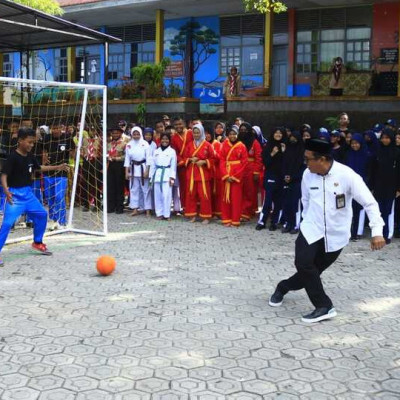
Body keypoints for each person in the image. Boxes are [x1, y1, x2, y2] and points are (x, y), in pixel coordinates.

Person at [268, 138, 385, 323]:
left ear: (322, 159)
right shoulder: (308, 174)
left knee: (310, 272)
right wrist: (305, 221)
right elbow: (305, 200)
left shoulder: (347, 176)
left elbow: (369, 203)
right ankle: (324, 306)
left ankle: (282, 287)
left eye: (308, 159)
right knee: (304, 263)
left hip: (336, 234)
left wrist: (377, 231)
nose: (305, 163)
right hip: (311, 228)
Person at [0, 128, 70, 266]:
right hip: (15, 196)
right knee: (7, 224)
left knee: (42, 215)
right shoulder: (12, 157)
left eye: (33, 142)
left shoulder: (30, 156)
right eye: (29, 142)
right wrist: (6, 191)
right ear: (20, 141)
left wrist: (58, 167)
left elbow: (39, 168)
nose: (32, 145)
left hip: (28, 194)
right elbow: (3, 175)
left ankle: (37, 242)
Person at [43, 122, 76, 230]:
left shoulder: (67, 138)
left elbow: (73, 153)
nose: (55, 130)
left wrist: (75, 152)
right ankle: (53, 219)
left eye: (57, 127)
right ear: (51, 129)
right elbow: (43, 150)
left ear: (61, 128)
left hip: (62, 172)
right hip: (48, 172)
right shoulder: (46, 138)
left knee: (59, 196)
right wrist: (44, 156)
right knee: (50, 197)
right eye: (53, 128)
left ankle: (62, 221)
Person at [370, 129, 400, 244]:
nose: (384, 140)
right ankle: (379, 233)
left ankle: (387, 234)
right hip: (379, 185)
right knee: (379, 210)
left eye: (387, 138)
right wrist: (372, 186)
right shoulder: (378, 152)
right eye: (383, 137)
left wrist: (398, 188)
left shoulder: (397, 152)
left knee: (388, 211)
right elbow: (373, 170)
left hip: (391, 186)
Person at [256, 127, 285, 231]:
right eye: (276, 132)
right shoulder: (268, 146)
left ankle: (274, 222)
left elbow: (287, 163)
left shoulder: (284, 146)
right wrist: (272, 153)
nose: (278, 135)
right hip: (270, 175)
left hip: (281, 177)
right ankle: (262, 221)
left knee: (278, 201)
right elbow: (266, 162)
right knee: (267, 200)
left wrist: (283, 152)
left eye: (280, 133)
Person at [184, 124, 214, 224]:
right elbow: (184, 157)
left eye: (198, 132)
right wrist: (190, 159)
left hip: (203, 174)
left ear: (202, 132)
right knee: (191, 194)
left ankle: (206, 216)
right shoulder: (189, 144)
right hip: (192, 173)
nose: (196, 134)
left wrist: (204, 161)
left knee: (204, 195)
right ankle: (192, 215)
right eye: (194, 132)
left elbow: (213, 158)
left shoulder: (208, 145)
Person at [220, 126, 248, 227]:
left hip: (237, 175)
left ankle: (235, 220)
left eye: (234, 134)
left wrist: (235, 176)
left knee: (236, 198)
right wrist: (226, 175)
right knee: (225, 198)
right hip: (226, 173)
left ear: (237, 135)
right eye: (230, 134)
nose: (232, 136)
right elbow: (222, 160)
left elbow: (244, 163)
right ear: (228, 135)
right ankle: (226, 219)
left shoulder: (242, 146)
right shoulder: (224, 145)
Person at [345, 133, 371, 241]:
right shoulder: (348, 154)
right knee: (348, 209)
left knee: (359, 209)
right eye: (352, 143)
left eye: (356, 143)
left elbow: (369, 172)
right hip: (348, 185)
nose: (354, 145)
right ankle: (349, 232)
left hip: (361, 185)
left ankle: (357, 232)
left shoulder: (367, 155)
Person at [124, 126, 152, 217]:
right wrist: (126, 172)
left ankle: (147, 209)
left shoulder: (145, 144)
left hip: (143, 168)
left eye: (138, 134)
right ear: (132, 134)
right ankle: (135, 209)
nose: (136, 136)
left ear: (141, 134)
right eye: (134, 134)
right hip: (133, 169)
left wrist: (147, 171)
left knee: (145, 190)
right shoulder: (129, 144)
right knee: (133, 190)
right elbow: (127, 159)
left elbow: (149, 158)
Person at [281, 131, 304, 234]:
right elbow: (283, 165)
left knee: (296, 204)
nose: (292, 139)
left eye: (295, 138)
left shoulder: (302, 152)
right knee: (286, 203)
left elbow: (303, 169)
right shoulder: (287, 150)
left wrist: (293, 177)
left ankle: (296, 225)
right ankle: (288, 223)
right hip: (286, 180)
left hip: (297, 181)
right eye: (291, 137)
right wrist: (285, 176)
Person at [150, 132, 177, 220]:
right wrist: (151, 177)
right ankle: (159, 213)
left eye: (166, 139)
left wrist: (172, 178)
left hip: (167, 175)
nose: (164, 141)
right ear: (160, 140)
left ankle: (167, 214)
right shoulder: (156, 151)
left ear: (169, 140)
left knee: (167, 196)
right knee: (158, 196)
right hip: (157, 175)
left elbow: (173, 166)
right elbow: (153, 165)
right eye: (163, 139)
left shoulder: (172, 151)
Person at [238, 123, 262, 221]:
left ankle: (246, 212)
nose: (243, 132)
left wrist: (256, 172)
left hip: (250, 170)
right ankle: (240, 211)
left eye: (245, 130)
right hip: (239, 169)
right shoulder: (237, 141)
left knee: (249, 192)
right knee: (240, 191)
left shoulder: (254, 142)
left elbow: (258, 158)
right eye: (241, 130)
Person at [171, 117, 193, 212]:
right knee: (183, 187)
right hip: (182, 166)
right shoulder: (173, 137)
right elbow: (174, 152)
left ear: (184, 124)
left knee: (192, 186)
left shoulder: (191, 133)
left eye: (180, 124)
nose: (178, 126)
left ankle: (195, 207)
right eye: (176, 125)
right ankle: (185, 208)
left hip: (192, 163)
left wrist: (190, 159)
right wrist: (182, 161)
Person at [80, 125, 102, 212]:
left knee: (96, 184)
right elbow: (81, 150)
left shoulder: (99, 140)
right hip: (86, 162)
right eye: (90, 130)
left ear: (96, 131)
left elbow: (101, 152)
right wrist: (83, 154)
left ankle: (97, 204)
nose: (92, 132)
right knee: (86, 183)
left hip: (96, 162)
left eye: (94, 130)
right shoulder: (85, 139)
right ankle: (86, 204)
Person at [107, 127, 126, 214]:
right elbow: (106, 153)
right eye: (113, 133)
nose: (115, 135)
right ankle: (111, 206)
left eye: (117, 133)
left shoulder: (124, 144)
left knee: (119, 186)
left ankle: (119, 207)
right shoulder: (109, 144)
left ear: (120, 134)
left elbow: (126, 156)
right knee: (110, 186)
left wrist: (117, 158)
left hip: (119, 166)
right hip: (110, 166)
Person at [205, 125, 223, 217]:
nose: (207, 135)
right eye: (205, 133)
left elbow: (220, 157)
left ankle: (219, 212)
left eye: (208, 133)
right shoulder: (202, 144)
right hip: (206, 170)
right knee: (208, 192)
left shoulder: (217, 144)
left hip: (216, 171)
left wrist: (213, 153)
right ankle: (209, 211)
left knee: (218, 192)